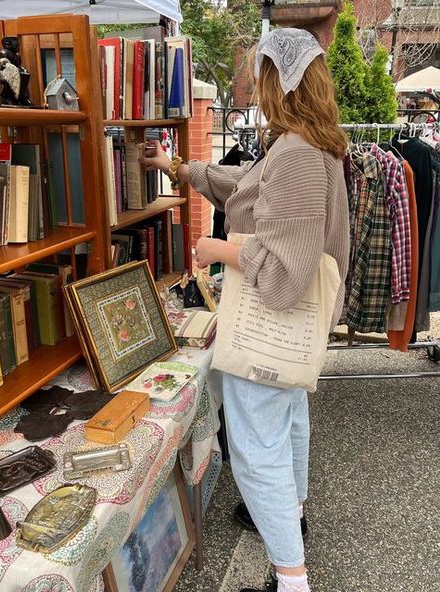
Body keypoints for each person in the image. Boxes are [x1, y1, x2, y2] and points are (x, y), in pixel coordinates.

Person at [141, 28, 350, 592]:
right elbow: (250, 187)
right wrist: (181, 168)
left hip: (271, 323)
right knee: (288, 427)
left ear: (278, 82)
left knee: (259, 451)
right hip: (288, 334)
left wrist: (218, 251)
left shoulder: (300, 155)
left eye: (259, 77)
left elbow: (286, 269)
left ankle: (291, 577)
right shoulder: (307, 145)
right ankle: (293, 525)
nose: (254, 90)